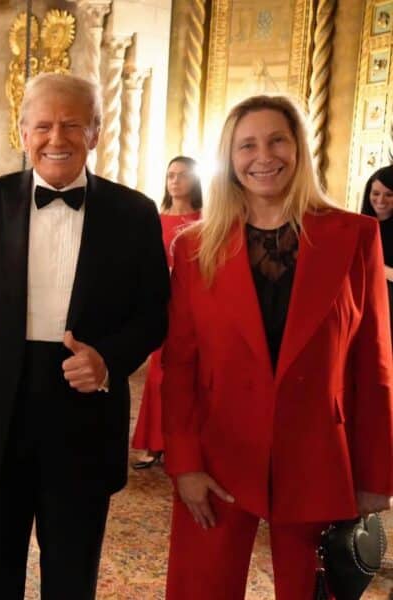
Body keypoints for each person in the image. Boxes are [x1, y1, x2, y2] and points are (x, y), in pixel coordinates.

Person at [0, 72, 169, 599]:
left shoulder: (134, 212)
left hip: (83, 411)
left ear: (97, 132)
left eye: (72, 125)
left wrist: (108, 359)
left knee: (71, 573)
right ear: (22, 132)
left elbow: (155, 312)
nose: (56, 138)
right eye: (43, 125)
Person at [162, 95, 393, 600]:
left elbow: (373, 366)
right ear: (230, 157)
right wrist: (184, 463)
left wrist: (376, 473)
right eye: (247, 145)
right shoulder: (194, 247)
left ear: (299, 149)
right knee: (202, 589)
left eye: (277, 140)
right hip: (218, 454)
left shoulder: (355, 237)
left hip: (320, 454)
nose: (263, 156)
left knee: (311, 592)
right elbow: (179, 363)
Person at [131, 156, 202, 470]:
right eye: (170, 175)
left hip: (194, 304)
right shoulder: (154, 220)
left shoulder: (207, 219)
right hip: (162, 302)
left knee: (190, 373)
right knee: (159, 373)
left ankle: (182, 442)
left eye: (183, 175)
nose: (175, 181)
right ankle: (154, 442)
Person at [361, 164, 393, 336]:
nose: (381, 200)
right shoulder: (360, 225)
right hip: (362, 298)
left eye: (389, 194)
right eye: (376, 193)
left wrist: (376, 267)